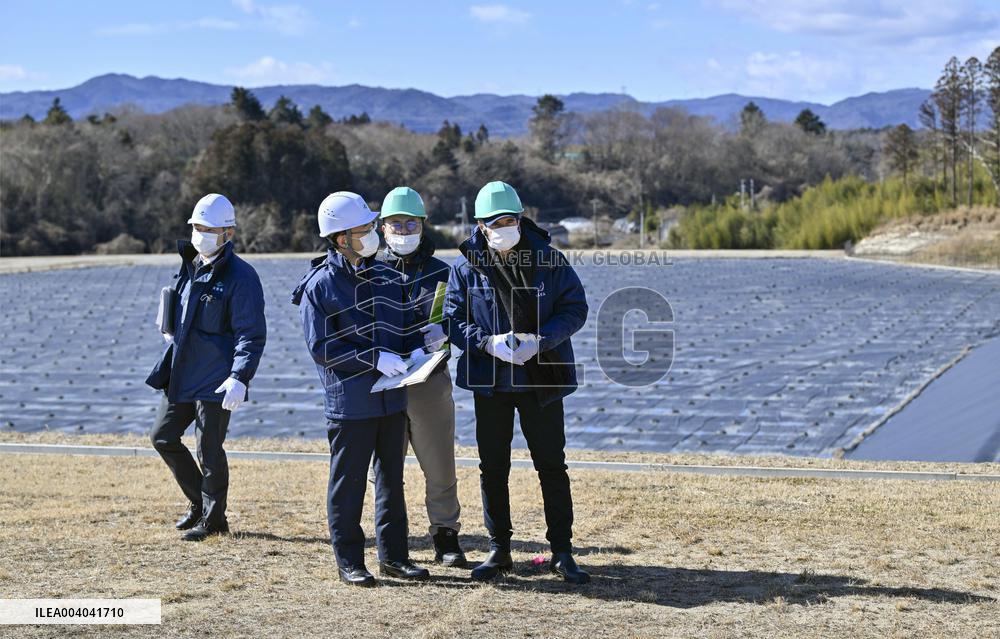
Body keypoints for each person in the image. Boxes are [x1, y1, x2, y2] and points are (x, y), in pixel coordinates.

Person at [444, 181, 591, 584]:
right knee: (492, 467)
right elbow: (452, 320)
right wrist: (486, 343)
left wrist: (542, 341)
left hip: (542, 380)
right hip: (491, 382)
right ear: (480, 225)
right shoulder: (465, 267)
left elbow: (575, 308)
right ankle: (499, 550)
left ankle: (562, 551)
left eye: (510, 220)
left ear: (521, 219)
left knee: (552, 465)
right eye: (495, 223)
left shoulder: (550, 260)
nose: (504, 228)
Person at [291, 191, 429, 587]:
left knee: (392, 481)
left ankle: (395, 557)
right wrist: (373, 358)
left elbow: (406, 325)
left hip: (392, 397)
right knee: (348, 485)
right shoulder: (320, 286)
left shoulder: (387, 275)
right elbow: (322, 348)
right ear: (341, 238)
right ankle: (349, 561)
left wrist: (417, 348)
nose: (373, 233)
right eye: (365, 228)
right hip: (350, 404)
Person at [146, 193, 267, 542]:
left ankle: (214, 520)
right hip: (183, 371)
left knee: (209, 449)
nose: (201, 235)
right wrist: (169, 324)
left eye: (210, 229)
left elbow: (250, 333)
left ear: (228, 233)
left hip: (217, 378)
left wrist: (239, 377)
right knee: (162, 436)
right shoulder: (190, 265)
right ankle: (199, 502)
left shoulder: (242, 276)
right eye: (197, 227)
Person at [374, 186, 465, 567]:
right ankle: (392, 543)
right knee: (386, 470)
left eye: (411, 223)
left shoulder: (443, 272)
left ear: (423, 225)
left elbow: (458, 317)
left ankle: (446, 536)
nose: (403, 230)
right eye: (396, 224)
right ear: (382, 227)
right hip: (383, 384)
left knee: (440, 466)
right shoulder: (369, 270)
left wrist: (446, 332)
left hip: (430, 382)